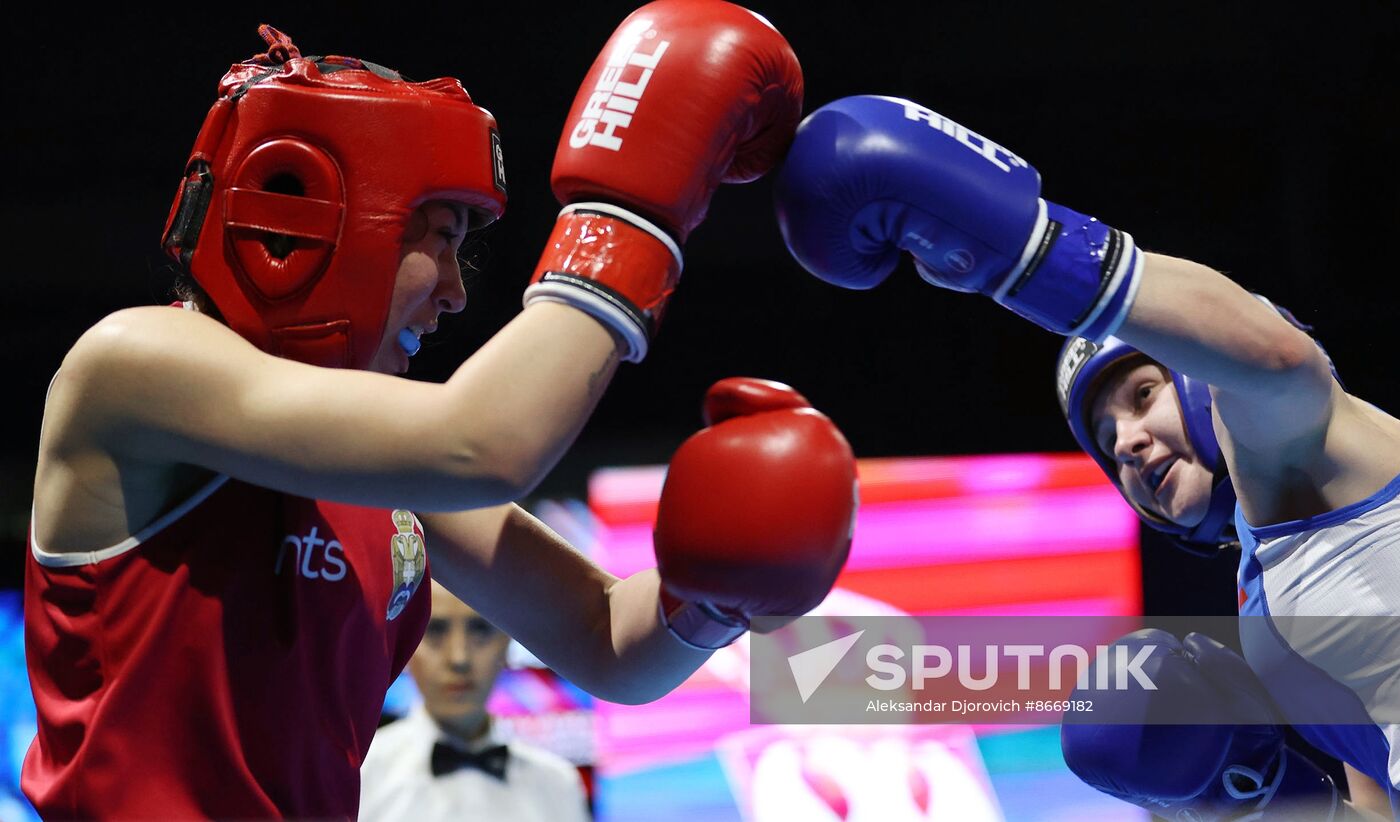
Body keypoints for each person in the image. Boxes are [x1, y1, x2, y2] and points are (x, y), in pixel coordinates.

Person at [22, 5, 860, 819]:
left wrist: (713, 599)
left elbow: (605, 637)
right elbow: (483, 444)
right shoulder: (133, 366)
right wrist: (628, 218)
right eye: (439, 239)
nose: (457, 293)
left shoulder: (383, 466)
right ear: (313, 219)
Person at [770, 94, 1400, 818]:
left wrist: (1025, 248)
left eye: (1143, 394)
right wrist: (1250, 797)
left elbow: (1276, 361)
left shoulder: (1308, 445)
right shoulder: (1276, 580)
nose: (1129, 442)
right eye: (1107, 444)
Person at [359, 581, 590, 822]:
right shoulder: (361, 778)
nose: (459, 658)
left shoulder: (559, 786)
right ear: (405, 643)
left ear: (506, 644)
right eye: (435, 630)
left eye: (480, 630)